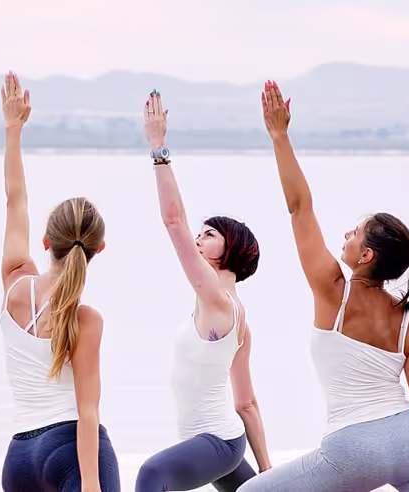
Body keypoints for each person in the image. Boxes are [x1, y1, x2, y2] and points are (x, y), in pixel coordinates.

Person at [237, 81, 409, 492]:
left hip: (353, 448)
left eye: (356, 233)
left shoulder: (332, 288)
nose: (346, 234)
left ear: (366, 256)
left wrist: (279, 136)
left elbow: (299, 208)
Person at [135, 91, 271, 492]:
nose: (197, 238)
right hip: (223, 441)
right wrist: (267, 476)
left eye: (209, 235)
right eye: (200, 232)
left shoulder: (215, 298)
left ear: (229, 250)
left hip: (217, 442)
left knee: (151, 476)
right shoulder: (237, 314)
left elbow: (173, 220)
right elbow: (246, 402)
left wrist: (158, 148)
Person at [0, 72, 120, 492]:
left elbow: (15, 198)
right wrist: (90, 483)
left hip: (19, 460)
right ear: (99, 250)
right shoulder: (87, 319)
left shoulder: (15, 284)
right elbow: (88, 412)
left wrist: (13, 129)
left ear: (46, 241)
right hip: (69, 452)